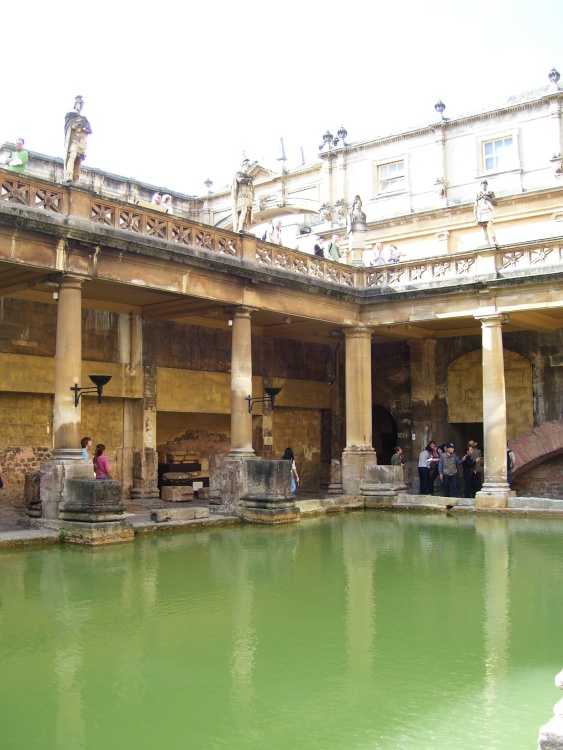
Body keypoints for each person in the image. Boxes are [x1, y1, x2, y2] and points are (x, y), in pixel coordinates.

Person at [63, 95, 92, 184]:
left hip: (82, 141)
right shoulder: (70, 115)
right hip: (74, 140)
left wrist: (83, 128)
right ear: (75, 104)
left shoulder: (84, 119)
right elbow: (70, 126)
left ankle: (76, 178)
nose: (80, 106)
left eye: (81, 104)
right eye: (79, 103)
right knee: (72, 155)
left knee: (79, 159)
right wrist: (78, 126)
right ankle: (69, 175)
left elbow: (89, 130)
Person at [231, 158, 254, 232]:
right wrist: (249, 179)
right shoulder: (239, 174)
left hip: (248, 194)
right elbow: (240, 180)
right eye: (246, 165)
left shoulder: (248, 176)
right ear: (242, 165)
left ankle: (245, 228)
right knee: (243, 209)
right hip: (241, 194)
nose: (247, 167)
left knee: (247, 212)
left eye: (248, 166)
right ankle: (240, 227)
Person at [474, 180, 497, 245]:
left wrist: (488, 198)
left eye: (485, 184)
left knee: (489, 225)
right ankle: (487, 242)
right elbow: (476, 205)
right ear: (480, 186)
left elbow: (495, 202)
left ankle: (494, 240)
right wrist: (475, 216)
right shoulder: (478, 194)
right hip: (481, 211)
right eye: (482, 184)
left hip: (488, 210)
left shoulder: (490, 193)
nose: (484, 186)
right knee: (484, 227)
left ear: (487, 185)